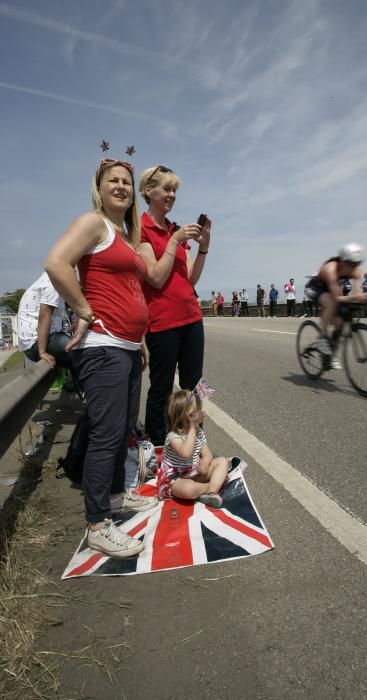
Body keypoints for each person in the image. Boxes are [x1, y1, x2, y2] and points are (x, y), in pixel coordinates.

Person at [45, 158, 157, 558]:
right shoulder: (93, 223)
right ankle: (97, 524)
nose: (123, 187)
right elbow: (56, 263)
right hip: (102, 347)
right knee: (107, 435)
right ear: (100, 187)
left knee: (124, 427)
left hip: (126, 347)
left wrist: (139, 337)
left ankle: (114, 496)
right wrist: (84, 309)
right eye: (114, 181)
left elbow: (130, 288)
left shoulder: (124, 237)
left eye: (127, 181)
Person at [138, 165, 209, 448]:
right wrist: (173, 241)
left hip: (192, 317)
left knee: (195, 385)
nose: (171, 195)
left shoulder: (175, 230)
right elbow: (154, 277)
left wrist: (203, 247)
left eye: (174, 190)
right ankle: (157, 445)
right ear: (148, 191)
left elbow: (191, 277)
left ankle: (193, 436)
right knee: (162, 388)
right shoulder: (142, 229)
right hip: (162, 322)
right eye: (166, 189)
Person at [157, 390, 228, 508]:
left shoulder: (198, 432)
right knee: (188, 489)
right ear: (189, 416)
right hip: (175, 478)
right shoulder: (173, 436)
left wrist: (205, 461)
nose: (203, 412)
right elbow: (185, 453)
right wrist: (192, 428)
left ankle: (211, 493)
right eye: (199, 410)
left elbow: (207, 453)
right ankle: (210, 486)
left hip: (194, 473)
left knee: (222, 461)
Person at [305, 243, 367, 358]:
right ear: (342, 261)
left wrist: (363, 298)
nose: (354, 267)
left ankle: (330, 351)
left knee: (340, 323)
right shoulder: (330, 269)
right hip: (315, 287)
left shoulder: (356, 270)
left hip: (332, 289)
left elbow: (356, 294)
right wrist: (356, 297)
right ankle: (322, 339)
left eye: (357, 264)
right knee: (331, 303)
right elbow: (337, 298)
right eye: (351, 264)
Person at [18, 271, 72, 369]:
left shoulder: (55, 282)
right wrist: (42, 351)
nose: (75, 273)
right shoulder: (52, 282)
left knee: (88, 349)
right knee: (84, 353)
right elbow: (44, 315)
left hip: (48, 338)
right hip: (36, 344)